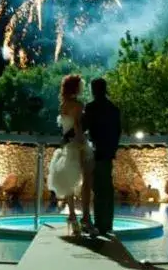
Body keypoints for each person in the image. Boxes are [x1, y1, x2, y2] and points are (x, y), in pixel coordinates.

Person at [46, 74, 95, 235]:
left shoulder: (63, 105)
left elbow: (66, 128)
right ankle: (86, 217)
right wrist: (82, 144)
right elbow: (77, 126)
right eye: (80, 85)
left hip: (67, 144)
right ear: (76, 88)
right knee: (86, 181)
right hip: (78, 144)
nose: (82, 88)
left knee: (69, 181)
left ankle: (72, 216)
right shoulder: (78, 105)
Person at [82, 77, 121, 235]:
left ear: (94, 90)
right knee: (107, 189)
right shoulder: (113, 108)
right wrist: (112, 150)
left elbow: (84, 125)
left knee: (98, 189)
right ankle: (108, 224)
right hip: (108, 153)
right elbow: (118, 131)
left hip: (97, 152)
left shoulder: (92, 107)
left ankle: (100, 225)